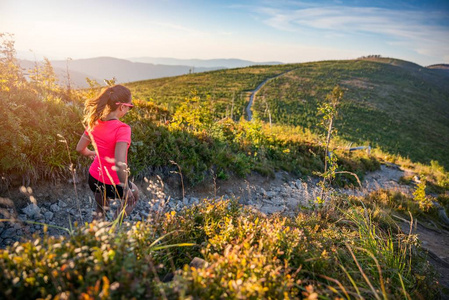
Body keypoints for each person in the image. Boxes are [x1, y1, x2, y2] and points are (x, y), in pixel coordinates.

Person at [76, 84, 139, 220]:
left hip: (94, 178)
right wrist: (126, 189)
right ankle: (112, 229)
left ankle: (95, 236)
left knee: (101, 208)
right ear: (122, 107)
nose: (128, 110)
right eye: (129, 107)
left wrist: (91, 153)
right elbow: (119, 162)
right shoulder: (122, 129)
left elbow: (80, 148)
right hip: (114, 183)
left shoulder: (94, 122)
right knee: (135, 196)